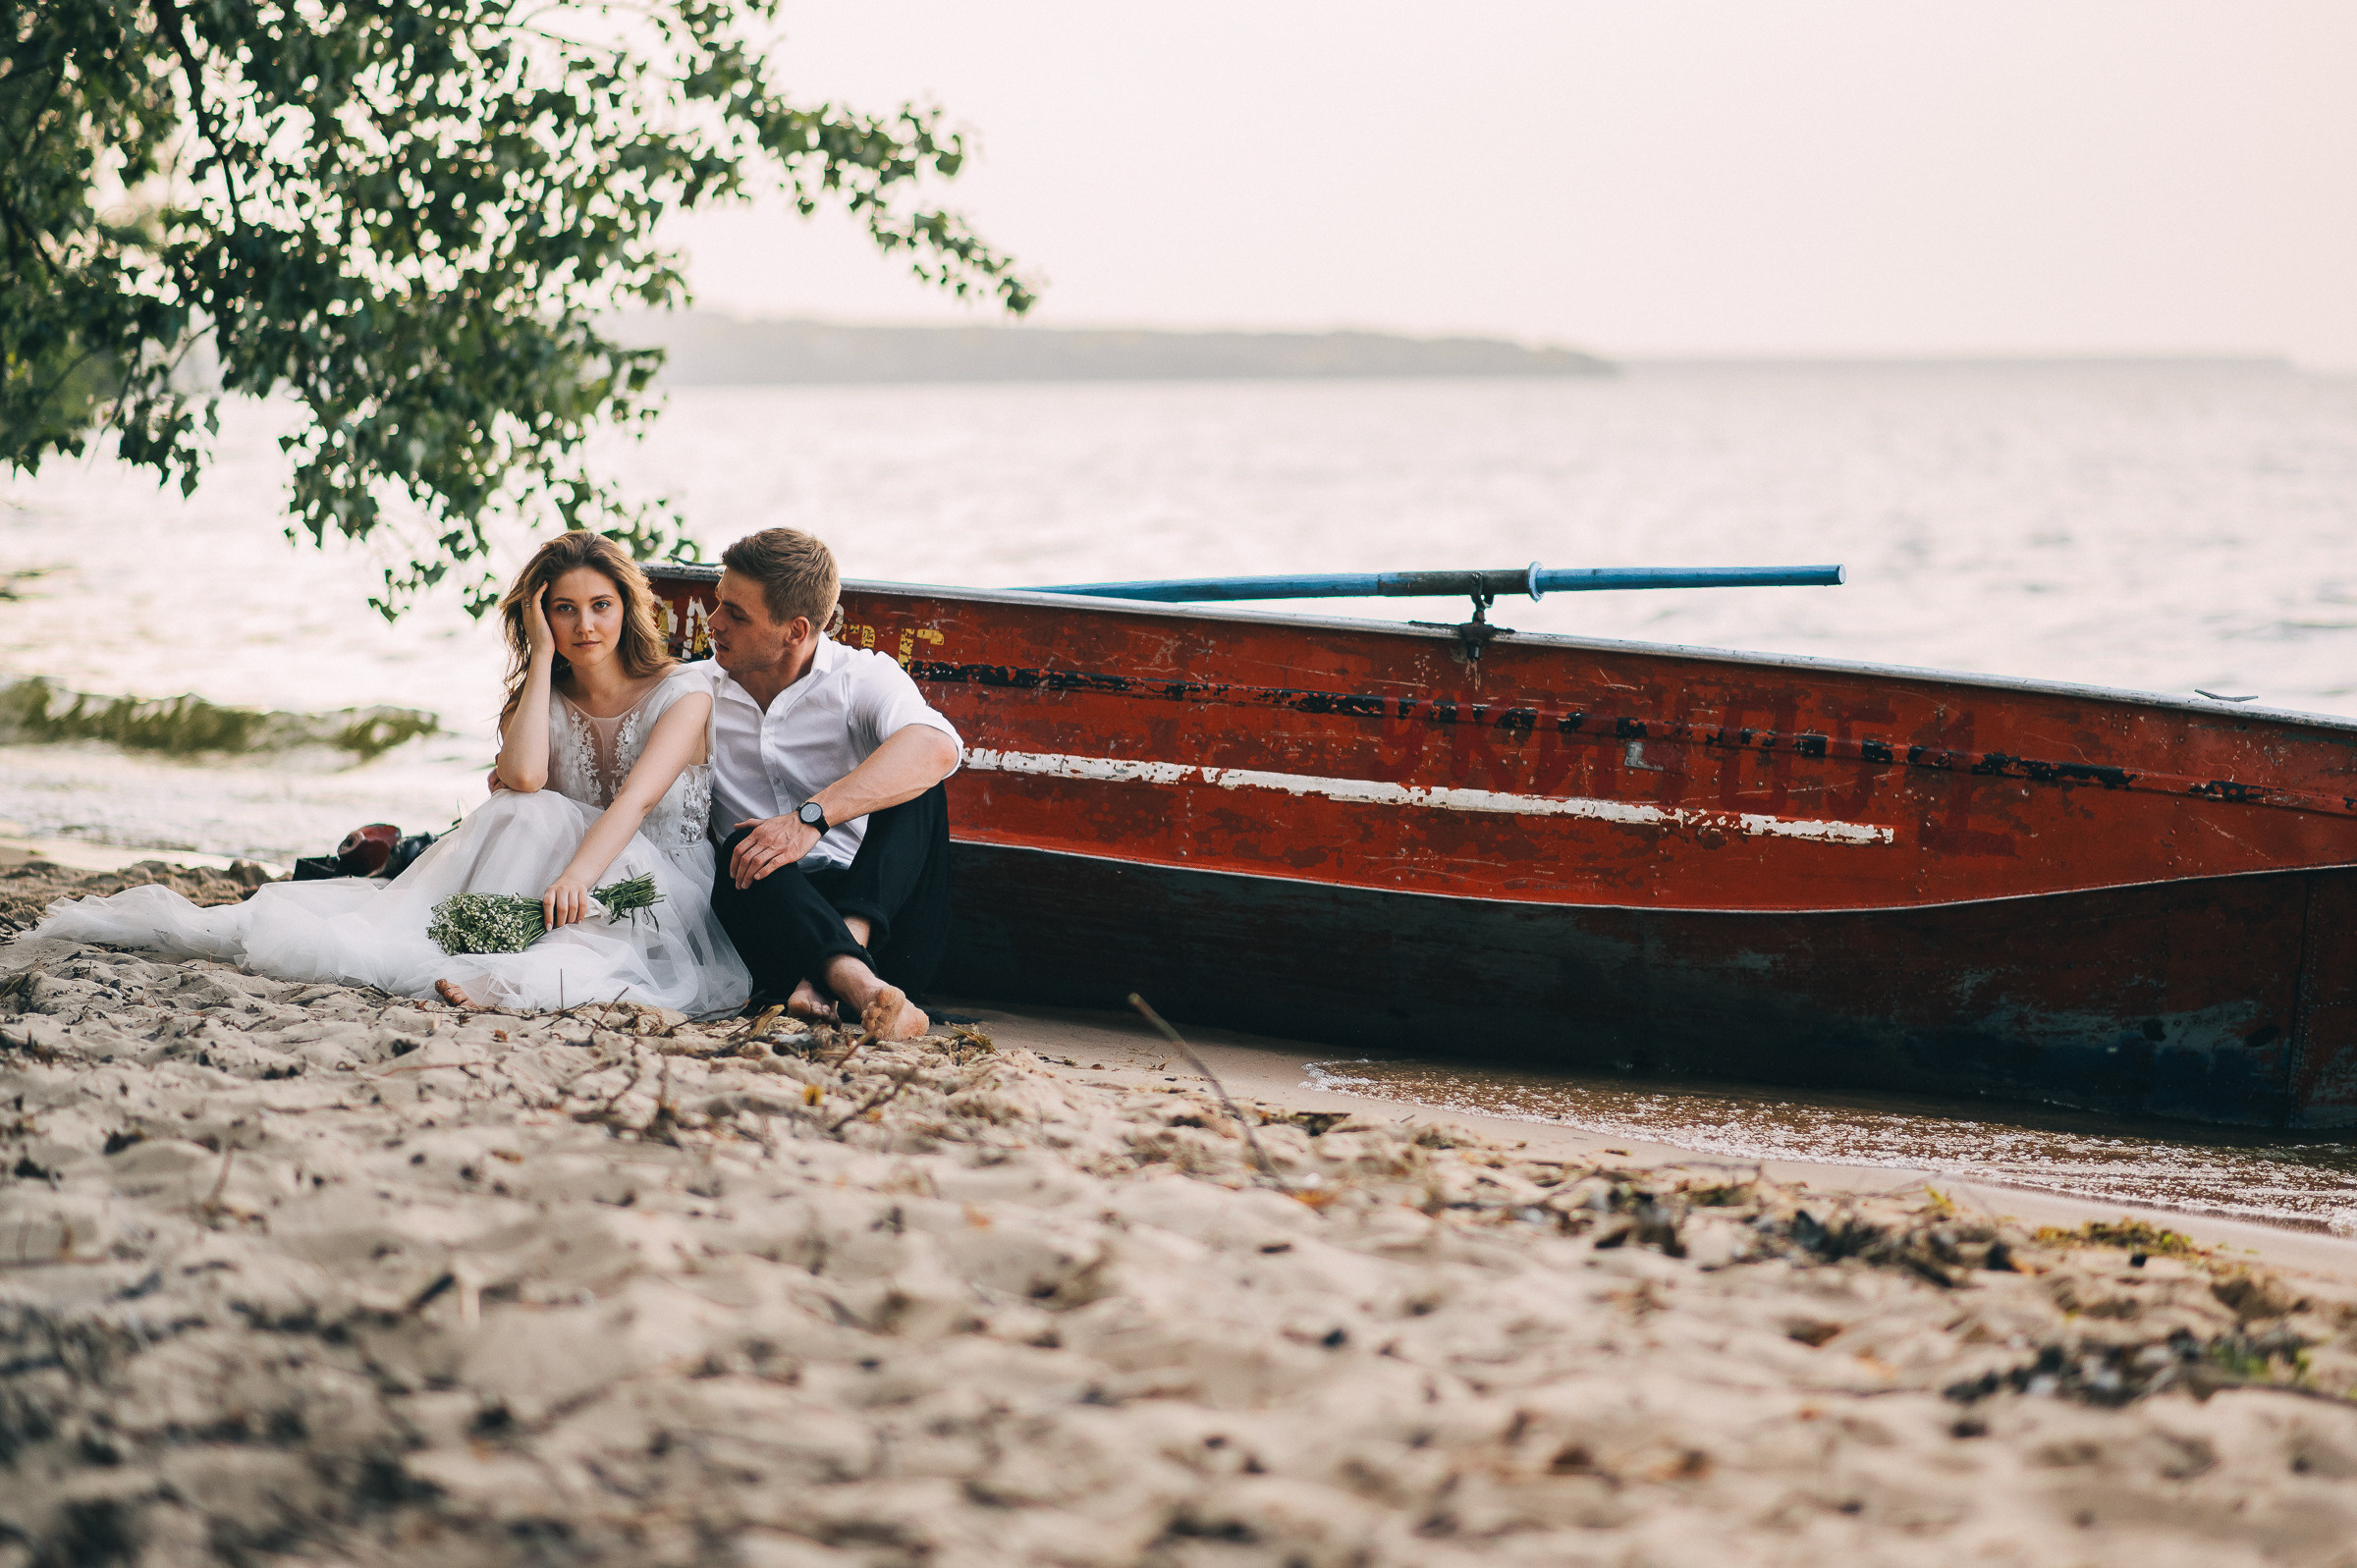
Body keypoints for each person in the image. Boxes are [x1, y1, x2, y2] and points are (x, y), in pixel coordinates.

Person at [35, 532, 749, 1017]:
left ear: (628, 608)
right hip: (563, 870)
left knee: (543, 822)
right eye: (563, 609)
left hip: (657, 883)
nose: (585, 624)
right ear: (542, 617)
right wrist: (537, 658)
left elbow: (632, 802)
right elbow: (527, 775)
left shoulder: (682, 693)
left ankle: (500, 970)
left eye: (601, 605)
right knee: (525, 810)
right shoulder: (546, 692)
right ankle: (484, 952)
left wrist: (575, 878)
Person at [703, 527, 960, 1042]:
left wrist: (808, 821)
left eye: (737, 613)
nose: (713, 623)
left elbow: (937, 749)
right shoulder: (696, 691)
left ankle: (842, 969)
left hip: (882, 923)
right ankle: (858, 985)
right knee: (746, 847)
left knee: (921, 784)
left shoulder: (859, 679)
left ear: (795, 631)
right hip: (772, 926)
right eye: (718, 604)